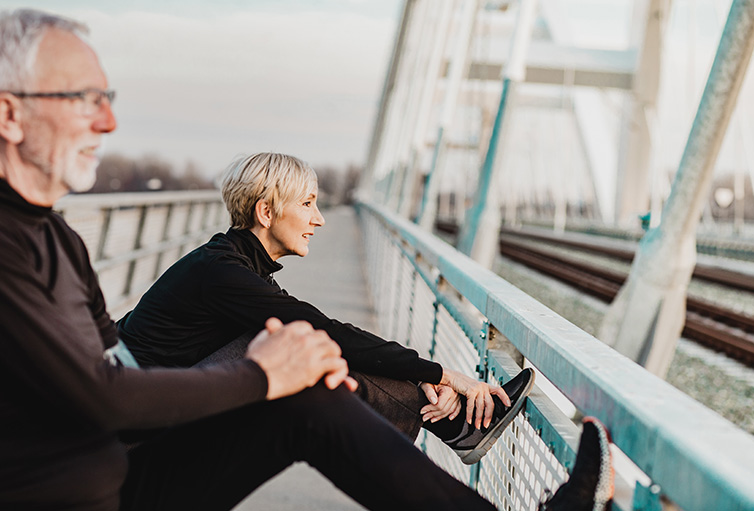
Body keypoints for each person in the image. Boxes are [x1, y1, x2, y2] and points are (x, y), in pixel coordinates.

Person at [0, 8, 614, 511]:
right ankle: (451, 420)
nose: (108, 121)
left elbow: (113, 363)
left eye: (107, 97)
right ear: (9, 113)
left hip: (123, 475)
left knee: (312, 389)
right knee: (297, 356)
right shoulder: (13, 247)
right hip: (81, 487)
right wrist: (265, 375)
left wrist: (285, 373)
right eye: (84, 99)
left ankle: (456, 432)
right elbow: (105, 395)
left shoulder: (58, 237)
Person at [118, 151, 535, 464]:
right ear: (266, 212)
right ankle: (454, 427)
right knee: (301, 345)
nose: (319, 219)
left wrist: (421, 376)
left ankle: (453, 425)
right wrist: (442, 374)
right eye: (307, 204)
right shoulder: (222, 272)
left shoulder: (234, 264)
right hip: (134, 427)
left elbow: (326, 331)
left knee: (298, 342)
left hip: (153, 404)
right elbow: (325, 330)